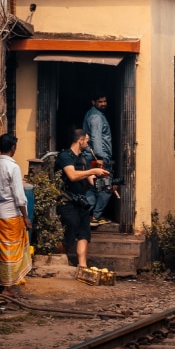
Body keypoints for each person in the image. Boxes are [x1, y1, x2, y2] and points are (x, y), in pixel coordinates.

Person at [55, 127, 107, 270]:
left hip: (81, 201)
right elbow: (72, 175)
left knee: (84, 233)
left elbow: (90, 179)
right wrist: (92, 170)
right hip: (67, 201)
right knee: (69, 232)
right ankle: (58, 261)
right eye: (87, 141)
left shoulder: (82, 158)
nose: (88, 145)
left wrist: (105, 183)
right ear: (81, 140)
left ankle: (83, 267)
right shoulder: (65, 156)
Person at [0, 134, 32, 295]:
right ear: (13, 148)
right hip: (11, 215)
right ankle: (8, 287)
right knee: (12, 252)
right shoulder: (13, 167)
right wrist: (26, 217)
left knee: (4, 251)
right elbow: (19, 196)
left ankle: (8, 284)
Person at [83, 96, 113, 224]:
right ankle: (95, 216)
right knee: (106, 187)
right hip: (97, 157)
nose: (103, 104)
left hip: (94, 156)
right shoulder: (96, 117)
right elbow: (96, 137)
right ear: (93, 102)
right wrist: (100, 157)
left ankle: (85, 214)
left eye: (105, 101)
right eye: (100, 102)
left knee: (95, 187)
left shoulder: (95, 114)